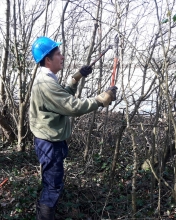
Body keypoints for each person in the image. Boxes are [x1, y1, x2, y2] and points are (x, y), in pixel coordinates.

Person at [30, 36, 117, 220]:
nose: (62, 57)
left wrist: (76, 78)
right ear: (48, 59)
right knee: (53, 186)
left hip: (50, 140)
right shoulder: (46, 83)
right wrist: (100, 100)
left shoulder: (47, 79)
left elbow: (60, 100)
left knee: (51, 182)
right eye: (58, 54)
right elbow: (71, 106)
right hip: (49, 143)